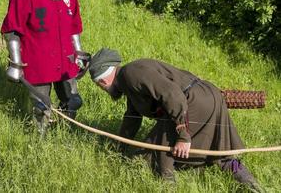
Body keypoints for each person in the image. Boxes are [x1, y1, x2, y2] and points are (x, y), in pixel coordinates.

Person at [88, 48, 264, 192]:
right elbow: (131, 119)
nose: (103, 89)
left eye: (100, 85)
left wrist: (183, 134)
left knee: (156, 154)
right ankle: (256, 188)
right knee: (223, 155)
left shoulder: (131, 73)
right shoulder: (129, 81)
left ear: (103, 80)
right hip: (210, 97)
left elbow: (172, 94)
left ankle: (168, 187)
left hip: (190, 102)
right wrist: (118, 149)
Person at [1, 0, 90, 135]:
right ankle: (39, 141)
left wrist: (79, 53)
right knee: (42, 107)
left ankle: (65, 133)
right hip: (38, 60)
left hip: (66, 60)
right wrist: (16, 64)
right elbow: (12, 29)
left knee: (73, 101)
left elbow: (74, 27)